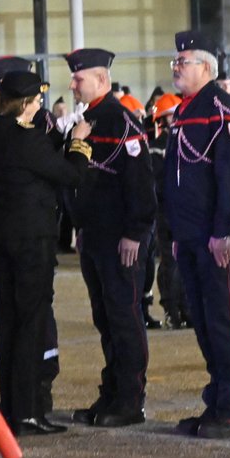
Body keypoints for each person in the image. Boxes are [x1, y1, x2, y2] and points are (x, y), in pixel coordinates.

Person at [0, 70, 92, 436]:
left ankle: (12, 407)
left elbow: (36, 155)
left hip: (4, 240)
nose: (40, 104)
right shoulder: (26, 140)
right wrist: (78, 143)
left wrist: (58, 136)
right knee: (31, 324)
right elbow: (71, 175)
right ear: (24, 105)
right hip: (32, 241)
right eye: (36, 100)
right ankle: (28, 411)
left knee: (8, 323)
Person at [164, 31, 230, 439]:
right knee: (202, 321)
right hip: (191, 234)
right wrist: (177, 231)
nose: (176, 68)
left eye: (182, 62)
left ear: (205, 66)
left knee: (222, 320)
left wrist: (223, 232)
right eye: (176, 62)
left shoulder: (222, 110)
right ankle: (217, 400)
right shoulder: (187, 110)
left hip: (215, 237)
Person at [65, 48, 156, 428]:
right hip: (96, 236)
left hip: (120, 238)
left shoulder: (120, 121)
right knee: (105, 318)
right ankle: (113, 392)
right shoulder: (89, 119)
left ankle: (130, 399)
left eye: (79, 78)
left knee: (124, 317)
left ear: (101, 79)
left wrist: (135, 232)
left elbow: (140, 183)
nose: (72, 84)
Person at [148, 93, 189, 329]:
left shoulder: (182, 142)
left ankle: (183, 309)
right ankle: (173, 310)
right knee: (172, 262)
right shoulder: (158, 148)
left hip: (179, 211)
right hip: (169, 212)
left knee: (180, 260)